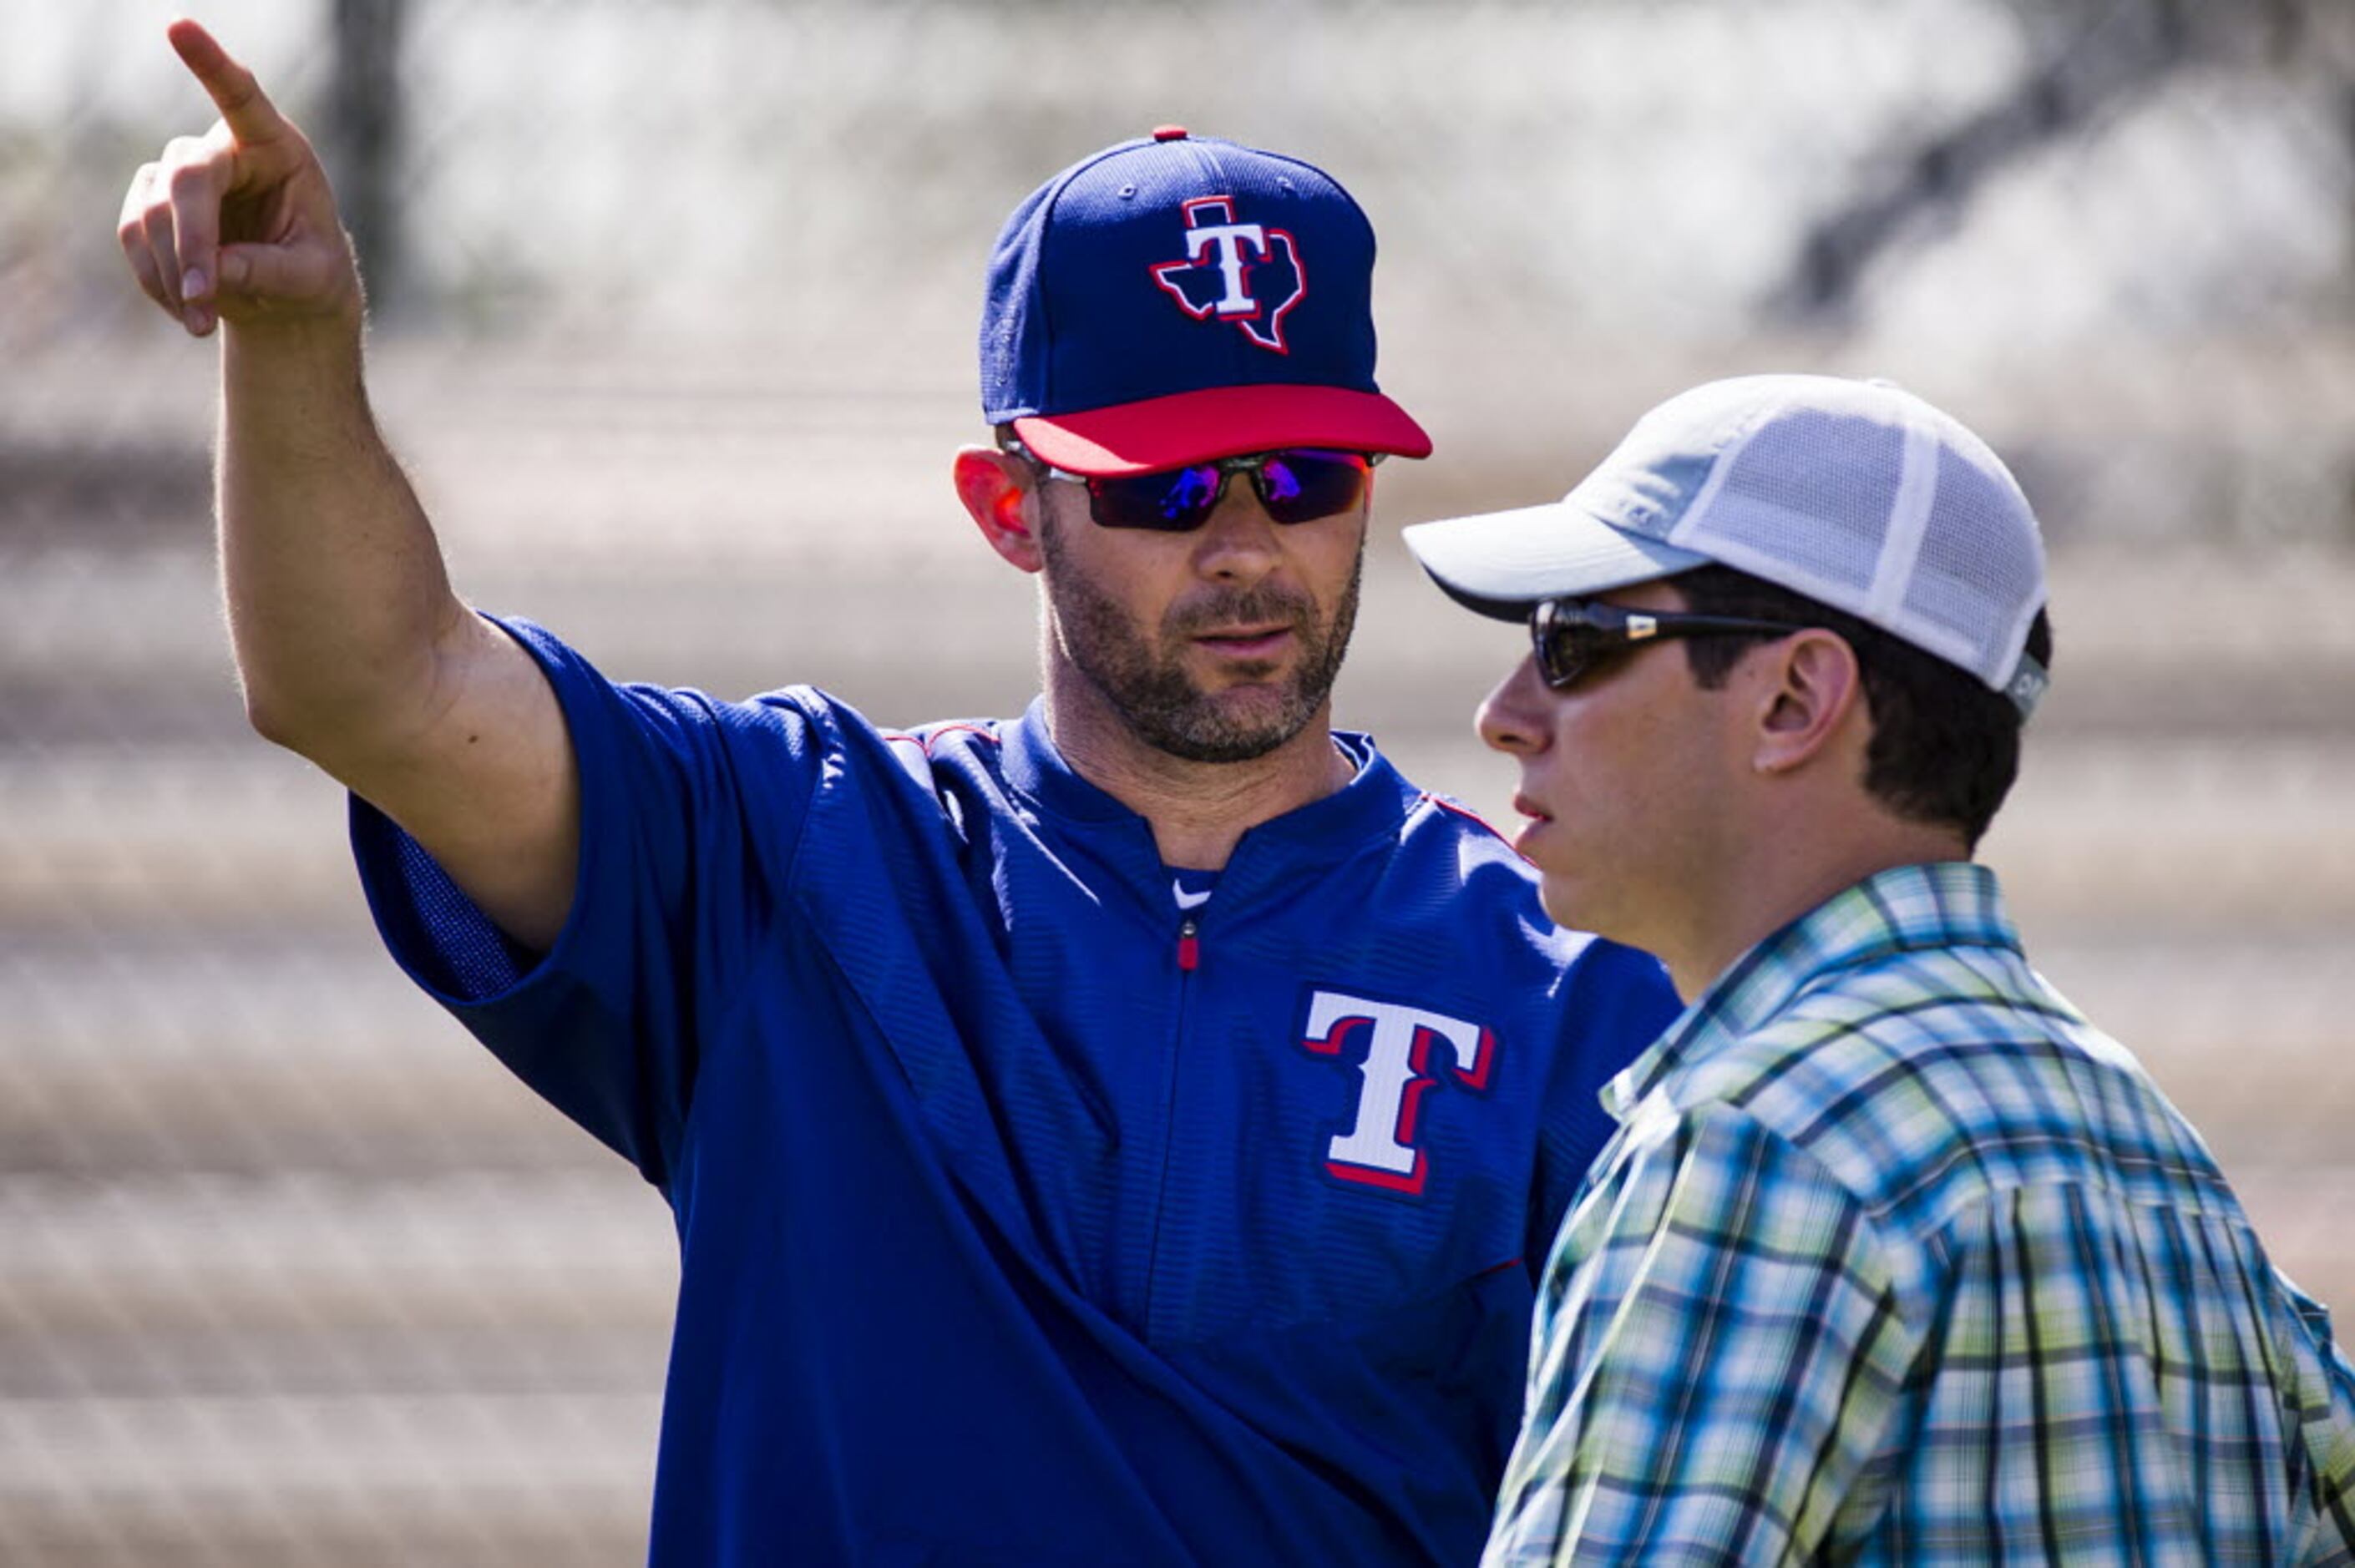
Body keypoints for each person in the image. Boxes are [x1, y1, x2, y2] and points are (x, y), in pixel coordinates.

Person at [118, 19, 1681, 1565]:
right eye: (1163, 483)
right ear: (1009, 508)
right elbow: (367, 690)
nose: (1246, 545)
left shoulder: (1562, 975)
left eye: (1305, 472)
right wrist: (298, 345)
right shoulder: (795, 848)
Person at [1404, 373, 2355, 1564]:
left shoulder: (1757, 1145)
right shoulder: (2159, 1161)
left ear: (1796, 696)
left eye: (1578, 640)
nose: (1506, 710)